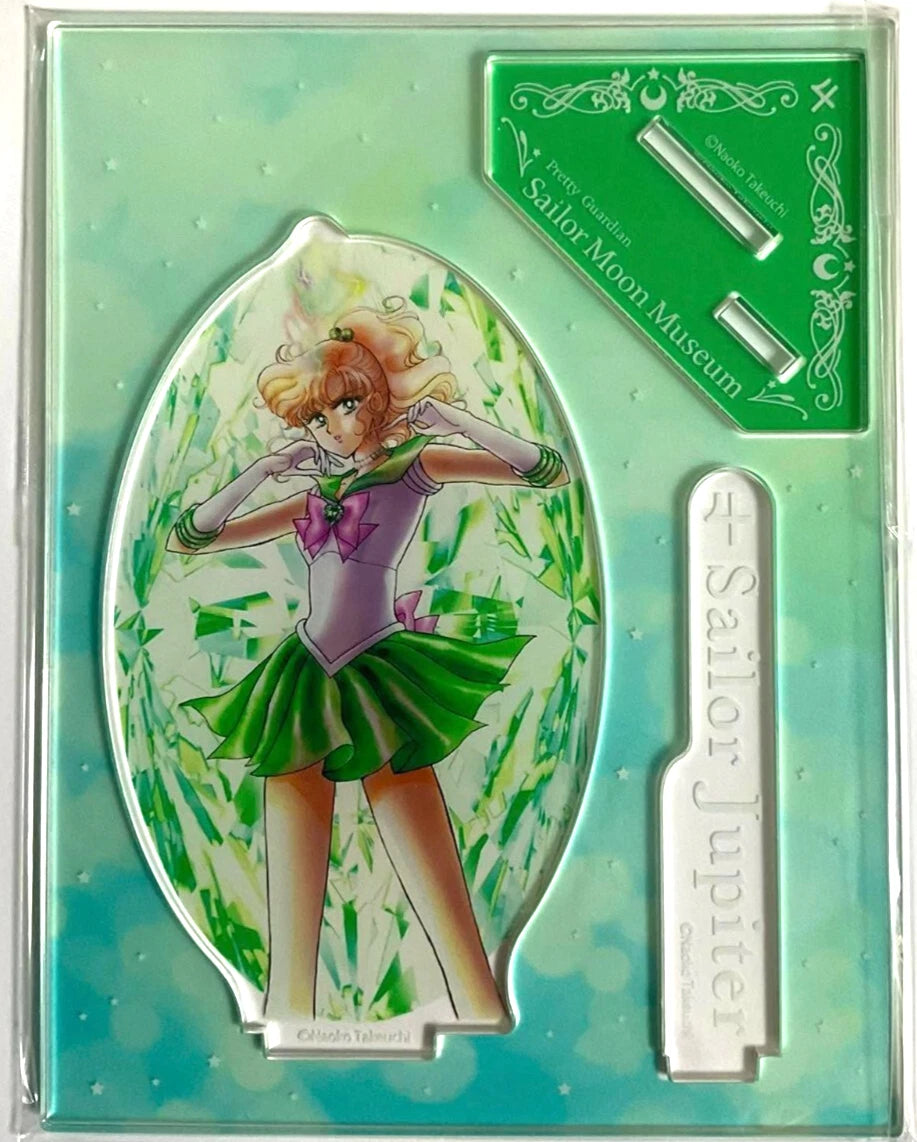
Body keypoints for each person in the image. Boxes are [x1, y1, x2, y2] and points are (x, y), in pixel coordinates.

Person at [167, 298, 567, 1028]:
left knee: (442, 900)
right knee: (289, 929)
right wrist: (262, 469)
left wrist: (457, 422)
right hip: (300, 680)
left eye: (346, 404)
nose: (332, 426)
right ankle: (287, 1025)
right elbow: (192, 537)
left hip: (379, 675)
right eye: (316, 417)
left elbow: (545, 471)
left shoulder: (415, 467)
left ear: (379, 399)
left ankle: (481, 1016)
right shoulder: (311, 497)